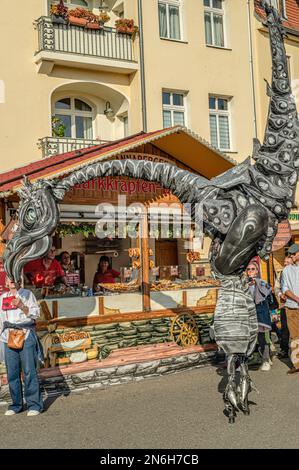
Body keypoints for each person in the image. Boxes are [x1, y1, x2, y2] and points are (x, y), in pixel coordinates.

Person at [0, 277, 44, 416]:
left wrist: (22, 306)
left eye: (14, 277)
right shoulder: (2, 297)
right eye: (8, 278)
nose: (11, 280)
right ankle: (16, 405)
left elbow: (36, 314)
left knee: (29, 371)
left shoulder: (27, 294)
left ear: (19, 281)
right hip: (8, 337)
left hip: (25, 334)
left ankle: (34, 405)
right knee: (12, 372)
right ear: (6, 283)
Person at [246, 261, 273, 371]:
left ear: (257, 271)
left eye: (253, 269)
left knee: (262, 337)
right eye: (248, 269)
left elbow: (268, 291)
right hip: (248, 312)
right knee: (249, 337)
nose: (250, 271)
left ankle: (266, 360)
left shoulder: (262, 282)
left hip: (261, 311)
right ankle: (249, 358)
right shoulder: (243, 284)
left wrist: (255, 282)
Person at [280, 243, 299, 375]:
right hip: (292, 307)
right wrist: (297, 299)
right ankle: (296, 364)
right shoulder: (286, 270)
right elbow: (285, 288)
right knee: (294, 337)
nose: (291, 256)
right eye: (290, 254)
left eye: (294, 254)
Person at [275, 255, 292, 359]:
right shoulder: (280, 274)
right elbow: (276, 288)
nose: (285, 264)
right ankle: (284, 350)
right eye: (284, 262)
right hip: (284, 305)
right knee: (285, 328)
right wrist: (281, 294)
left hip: (296, 305)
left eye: (287, 262)